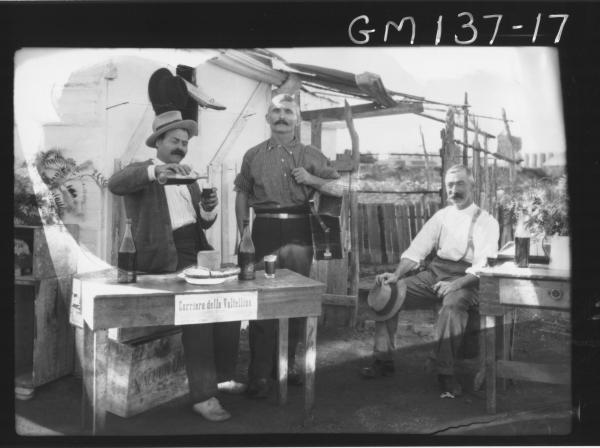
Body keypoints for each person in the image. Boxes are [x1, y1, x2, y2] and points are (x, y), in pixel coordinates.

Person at [108, 110, 245, 422]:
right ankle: (203, 395)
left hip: (195, 252)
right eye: (174, 141)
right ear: (158, 142)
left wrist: (208, 211)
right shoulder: (142, 170)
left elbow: (201, 223)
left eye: (184, 142)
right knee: (198, 312)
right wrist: (156, 171)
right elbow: (116, 184)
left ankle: (222, 377)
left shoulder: (188, 175)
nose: (181, 147)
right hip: (162, 259)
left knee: (230, 304)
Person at [234, 93, 343, 398]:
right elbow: (242, 193)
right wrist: (243, 232)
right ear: (267, 118)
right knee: (261, 299)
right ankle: (259, 374)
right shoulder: (252, 155)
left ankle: (289, 365)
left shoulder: (312, 155)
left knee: (295, 298)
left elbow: (340, 187)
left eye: (288, 112)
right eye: (275, 111)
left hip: (299, 229)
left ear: (297, 119)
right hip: (263, 229)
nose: (281, 116)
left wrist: (312, 178)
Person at [361, 164, 500, 398]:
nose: (454, 189)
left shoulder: (487, 221)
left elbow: (482, 265)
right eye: (450, 185)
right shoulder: (442, 216)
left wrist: (454, 285)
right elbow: (418, 248)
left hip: (467, 279)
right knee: (390, 294)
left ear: (472, 185)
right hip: (435, 273)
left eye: (460, 184)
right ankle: (383, 360)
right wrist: (396, 275)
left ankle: (445, 373)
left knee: (453, 306)